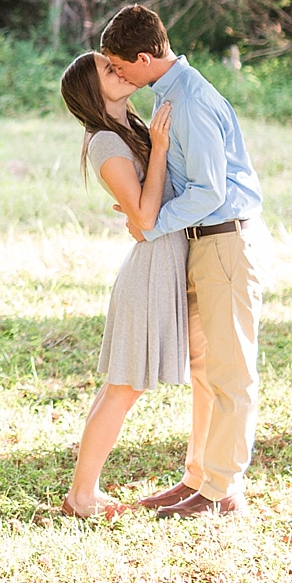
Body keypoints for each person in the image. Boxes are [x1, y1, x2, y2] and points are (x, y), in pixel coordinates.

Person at [99, 3, 271, 520]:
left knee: (230, 372)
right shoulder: (172, 95)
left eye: (120, 65)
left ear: (146, 57)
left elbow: (210, 190)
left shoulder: (190, 102)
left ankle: (224, 492)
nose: (118, 75)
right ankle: (198, 478)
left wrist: (152, 223)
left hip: (224, 241)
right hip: (203, 244)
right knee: (205, 372)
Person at [56, 51, 185, 518]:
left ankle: (81, 494)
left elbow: (146, 205)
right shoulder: (104, 143)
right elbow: (146, 215)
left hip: (163, 261)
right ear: (92, 91)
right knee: (124, 387)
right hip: (150, 270)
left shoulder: (126, 130)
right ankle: (82, 497)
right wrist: (162, 149)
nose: (120, 69)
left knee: (121, 386)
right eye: (107, 70)